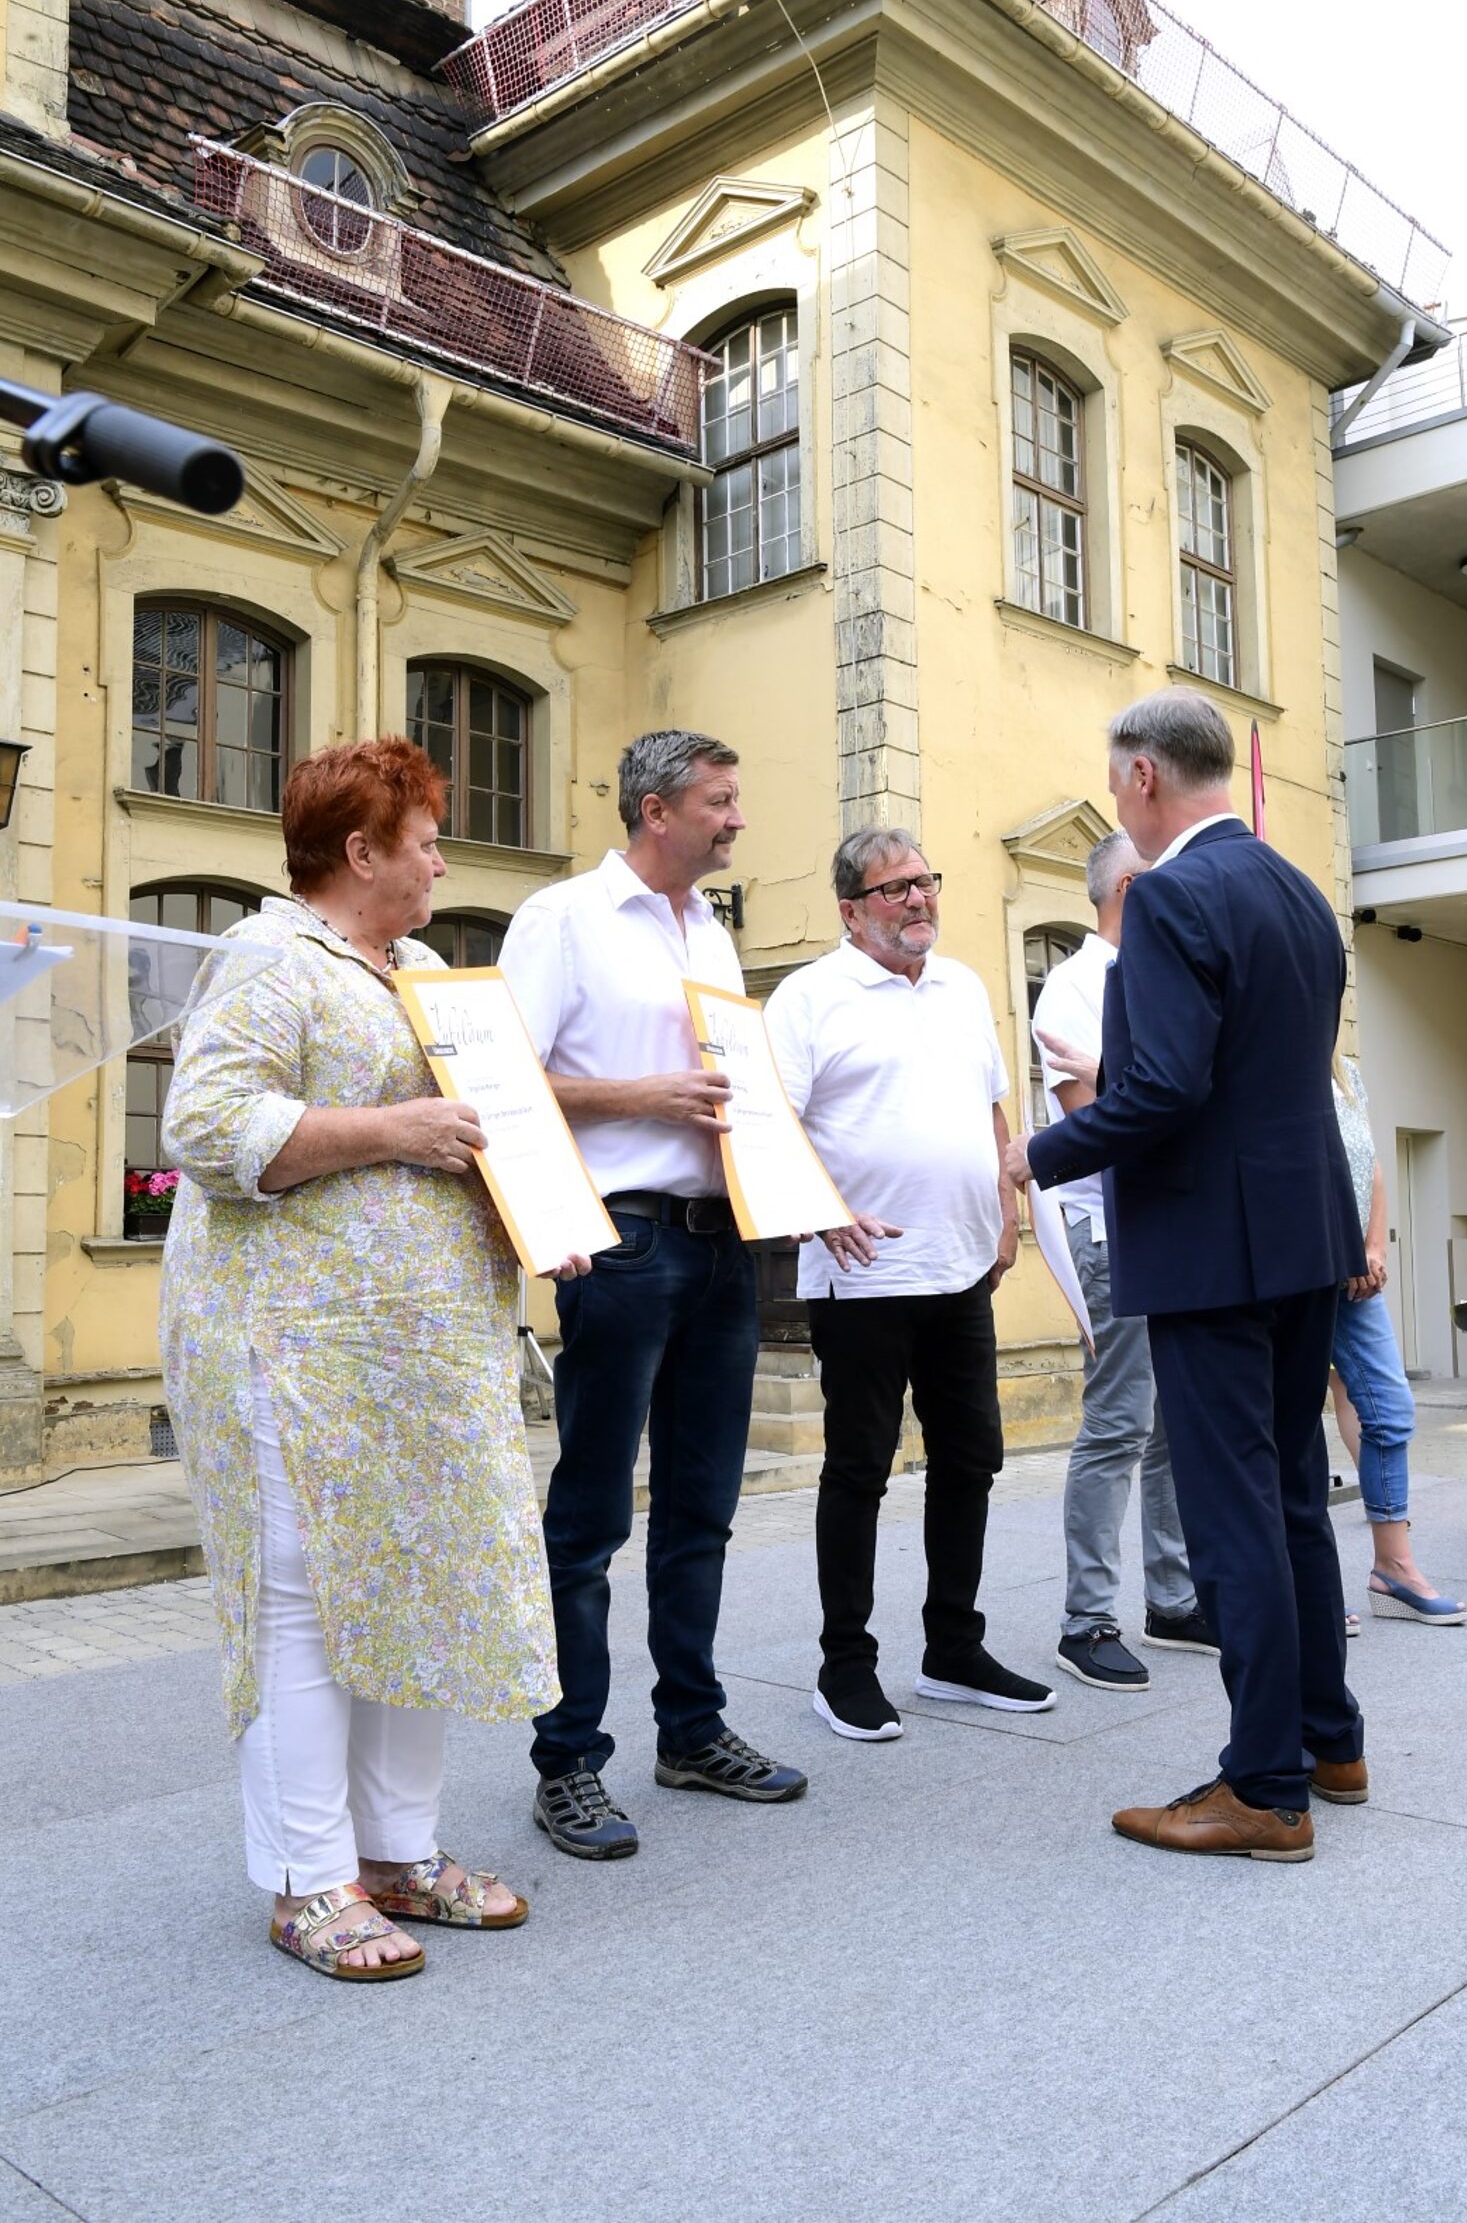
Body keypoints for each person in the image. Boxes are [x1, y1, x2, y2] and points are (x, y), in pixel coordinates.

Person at [160, 738, 565, 1981]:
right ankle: (305, 1879)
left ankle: (397, 1852)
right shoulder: (270, 960)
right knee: (300, 1603)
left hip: (424, 1356)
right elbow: (208, 1125)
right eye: (425, 839)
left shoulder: (428, 970)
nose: (442, 856)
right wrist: (394, 1128)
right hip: (291, 1352)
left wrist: (548, 1212)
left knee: (419, 1585)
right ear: (359, 852)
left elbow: (491, 1127)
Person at [1007, 689, 1367, 1863]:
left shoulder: (1164, 895)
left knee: (1230, 1519)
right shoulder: (1296, 889)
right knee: (1292, 1499)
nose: (1120, 800)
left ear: (1144, 779)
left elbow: (1161, 1090)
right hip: (1302, 1235)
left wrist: (1035, 1153)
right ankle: (1328, 1741)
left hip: (1214, 1248)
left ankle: (1262, 1787)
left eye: (1117, 784)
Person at [500, 730, 806, 1860]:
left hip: (723, 1242)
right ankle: (568, 1762)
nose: (735, 821)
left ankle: (690, 1729)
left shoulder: (709, 933)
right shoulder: (563, 920)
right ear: (653, 808)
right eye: (719, 802)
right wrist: (643, 1093)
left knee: (701, 1509)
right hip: (622, 1243)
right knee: (587, 1519)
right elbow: (502, 1076)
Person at [765, 828, 1055, 1742]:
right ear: (851, 910)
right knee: (858, 1470)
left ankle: (953, 1650)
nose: (919, 899)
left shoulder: (965, 986)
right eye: (895, 889)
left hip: (960, 1264)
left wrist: (1008, 1203)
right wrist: (820, 1211)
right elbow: (770, 1122)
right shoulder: (810, 996)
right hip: (863, 1274)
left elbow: (992, 1102)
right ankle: (844, 1666)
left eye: (925, 882)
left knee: (971, 1461)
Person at [1031, 829, 1212, 1691]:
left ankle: (1173, 1599)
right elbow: (1099, 1118)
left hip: (1172, 1223)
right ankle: (1086, 1618)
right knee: (1119, 1422)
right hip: (1110, 1229)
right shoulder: (1075, 985)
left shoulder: (1159, 973)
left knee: (1173, 1424)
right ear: (1134, 888)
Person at [1329, 1053, 1466, 1625]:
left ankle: (1393, 1567)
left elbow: (1370, 1165)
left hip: (1356, 1275)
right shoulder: (1266, 1050)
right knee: (1280, 1424)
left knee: (1390, 1410)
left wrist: (1375, 1245)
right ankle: (1299, 1587)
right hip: (1300, 1268)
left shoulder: (1346, 1071)